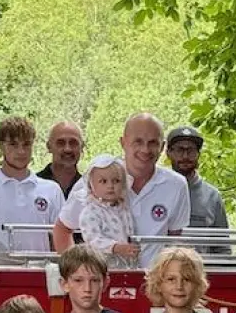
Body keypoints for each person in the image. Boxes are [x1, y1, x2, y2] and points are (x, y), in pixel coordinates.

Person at [53, 113, 192, 268]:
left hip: (155, 284)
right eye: (138, 141)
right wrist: (76, 275)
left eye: (152, 142)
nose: (145, 149)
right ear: (123, 142)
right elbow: (62, 230)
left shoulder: (176, 185)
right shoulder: (97, 179)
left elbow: (174, 242)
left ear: (162, 146)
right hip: (103, 283)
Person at [0, 116, 65, 258]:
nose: (21, 151)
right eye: (13, 145)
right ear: (1, 146)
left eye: (27, 144)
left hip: (39, 272)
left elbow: (61, 242)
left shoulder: (52, 190)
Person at [166, 125, 231, 256]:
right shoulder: (157, 190)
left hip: (202, 270)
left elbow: (222, 247)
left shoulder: (212, 196)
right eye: (179, 150)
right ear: (169, 153)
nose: (185, 156)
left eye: (191, 150)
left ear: (198, 154)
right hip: (164, 271)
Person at [76, 155, 139, 269]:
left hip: (126, 264)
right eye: (103, 181)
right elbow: (92, 240)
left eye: (116, 181)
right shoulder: (90, 212)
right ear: (91, 185)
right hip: (102, 266)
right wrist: (115, 247)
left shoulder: (124, 209)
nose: (110, 186)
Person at [38, 121, 84, 199]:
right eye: (61, 143)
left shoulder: (90, 190)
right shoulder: (34, 186)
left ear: (82, 147)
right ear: (49, 147)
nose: (67, 149)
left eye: (73, 143)